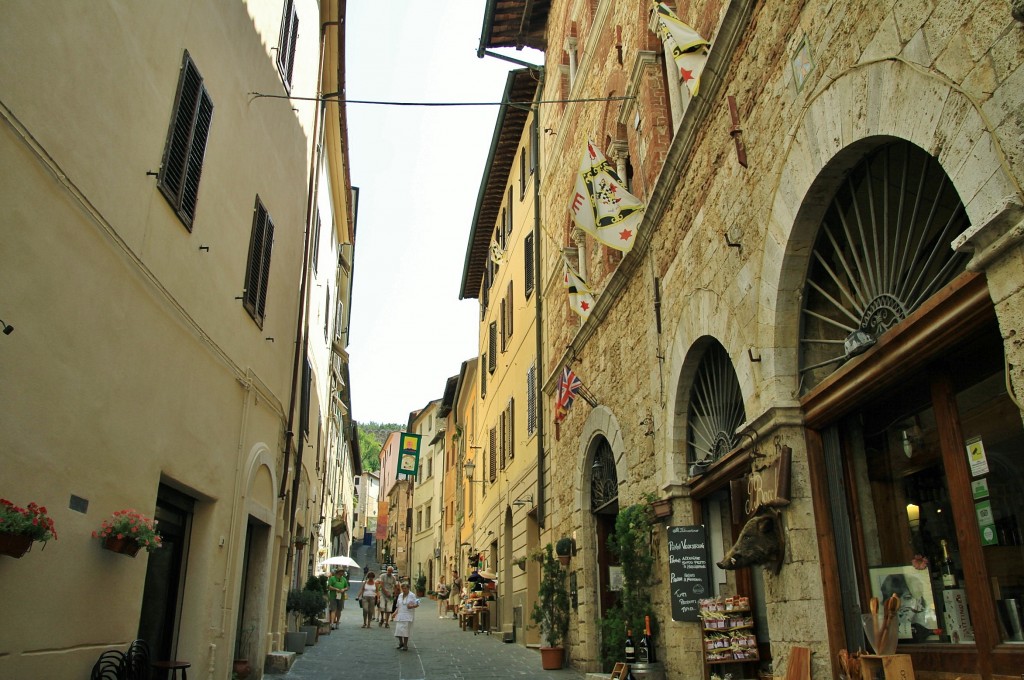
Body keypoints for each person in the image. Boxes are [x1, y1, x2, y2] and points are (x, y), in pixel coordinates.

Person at [392, 580, 420, 650]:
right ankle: (400, 643)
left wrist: (412, 606)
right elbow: (398, 606)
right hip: (400, 614)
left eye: (405, 588)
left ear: (408, 588)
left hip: (408, 614)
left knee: (405, 630)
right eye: (402, 588)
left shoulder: (412, 595)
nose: (403, 590)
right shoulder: (400, 595)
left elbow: (417, 604)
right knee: (398, 630)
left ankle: (405, 645)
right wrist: (395, 613)